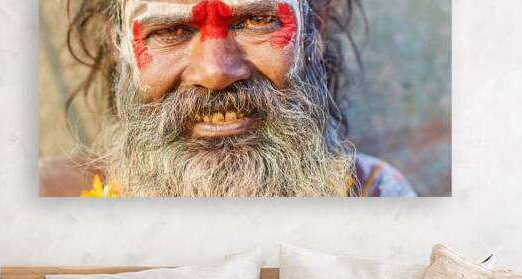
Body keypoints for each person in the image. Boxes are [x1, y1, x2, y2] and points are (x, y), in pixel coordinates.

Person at [41, 0, 417, 198]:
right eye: (170, 30)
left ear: (313, 30)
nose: (215, 72)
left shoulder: (375, 195)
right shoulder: (46, 196)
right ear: (119, 45)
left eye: (255, 21)